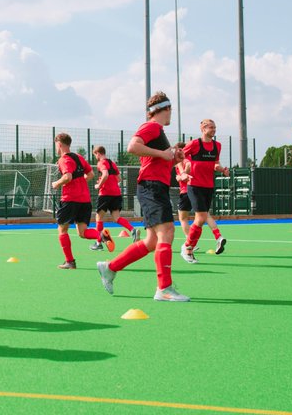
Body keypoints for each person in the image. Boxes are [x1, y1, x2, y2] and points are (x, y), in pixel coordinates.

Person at [95, 92, 189, 302]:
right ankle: (164, 288)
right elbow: (132, 146)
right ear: (165, 109)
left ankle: (110, 267)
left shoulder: (158, 132)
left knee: (152, 241)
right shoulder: (153, 126)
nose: (171, 112)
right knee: (167, 232)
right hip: (152, 187)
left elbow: (154, 161)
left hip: (154, 186)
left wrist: (172, 159)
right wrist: (164, 154)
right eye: (170, 109)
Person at [50, 133, 105, 269]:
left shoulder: (63, 159)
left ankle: (70, 261)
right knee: (83, 232)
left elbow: (67, 176)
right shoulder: (79, 158)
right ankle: (101, 235)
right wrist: (79, 183)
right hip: (85, 200)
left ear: (59, 144)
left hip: (70, 199)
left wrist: (57, 183)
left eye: (56, 145)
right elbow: (91, 174)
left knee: (62, 230)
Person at [179, 118, 229, 263]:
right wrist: (183, 170)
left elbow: (215, 164)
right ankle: (187, 248)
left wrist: (222, 169)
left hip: (209, 186)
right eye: (211, 127)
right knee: (201, 217)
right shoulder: (194, 144)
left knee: (199, 220)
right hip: (194, 185)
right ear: (203, 129)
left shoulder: (217, 146)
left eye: (215, 127)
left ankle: (188, 248)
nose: (214, 130)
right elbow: (179, 157)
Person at [91, 146, 133, 247]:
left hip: (105, 194)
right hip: (116, 194)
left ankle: (98, 243)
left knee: (99, 217)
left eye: (95, 155)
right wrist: (107, 181)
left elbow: (105, 174)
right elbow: (119, 179)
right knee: (117, 217)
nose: (96, 157)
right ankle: (133, 230)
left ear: (98, 153)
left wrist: (99, 185)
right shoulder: (113, 163)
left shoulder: (101, 163)